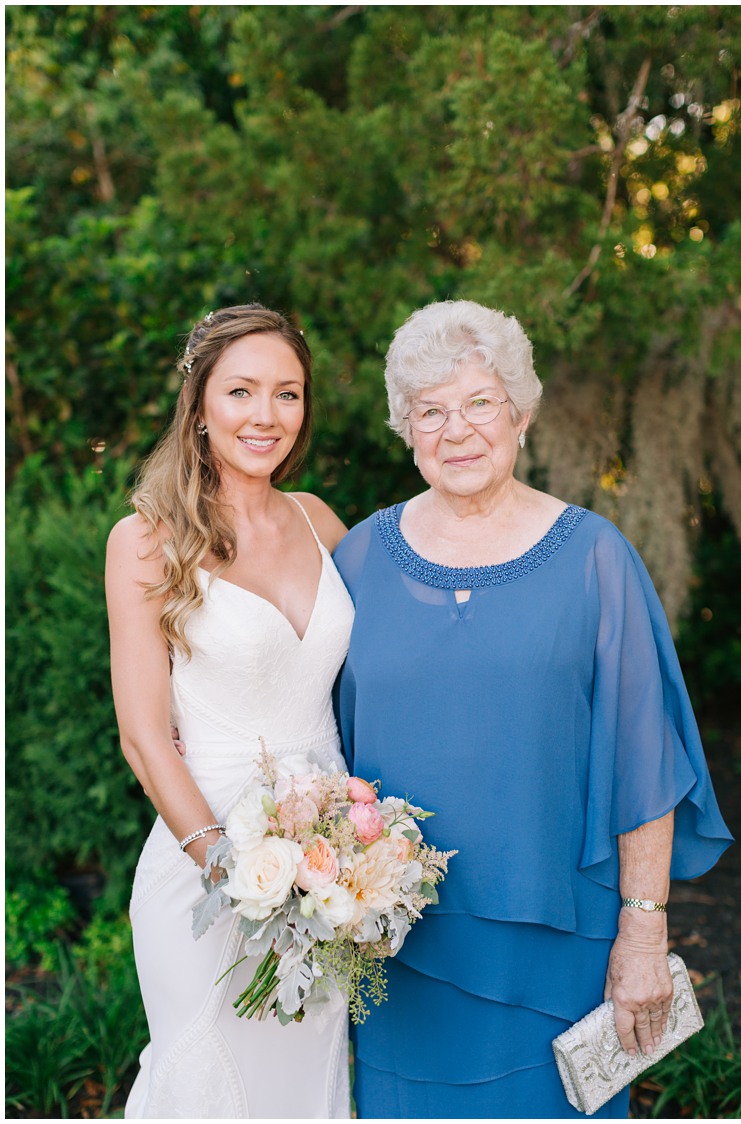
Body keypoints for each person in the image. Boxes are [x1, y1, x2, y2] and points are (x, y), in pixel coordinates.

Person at [331, 299, 733, 1118]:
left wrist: (645, 935)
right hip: (398, 958)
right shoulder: (358, 561)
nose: (457, 430)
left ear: (520, 412)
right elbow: (316, 750)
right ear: (406, 430)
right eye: (430, 411)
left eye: (480, 403)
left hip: (562, 954)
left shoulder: (596, 560)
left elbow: (643, 765)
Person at [106, 305, 353, 1117]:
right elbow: (144, 738)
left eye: (288, 394)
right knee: (206, 1082)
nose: (266, 415)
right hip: (206, 860)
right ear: (200, 405)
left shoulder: (320, 522)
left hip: (331, 870)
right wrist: (226, 868)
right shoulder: (145, 540)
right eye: (241, 391)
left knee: (304, 1083)